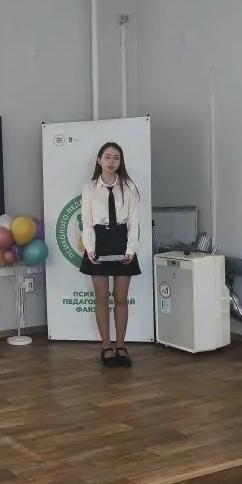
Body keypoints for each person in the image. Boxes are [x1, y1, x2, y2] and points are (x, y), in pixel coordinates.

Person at [78, 142, 141, 368]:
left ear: (120, 161)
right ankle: (106, 346)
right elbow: (86, 222)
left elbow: (134, 221)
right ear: (99, 160)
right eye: (107, 157)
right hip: (99, 241)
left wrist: (130, 250)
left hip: (122, 240)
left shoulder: (129, 187)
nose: (111, 161)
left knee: (121, 298)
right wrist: (90, 248)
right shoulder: (89, 188)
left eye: (116, 157)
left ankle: (121, 346)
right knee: (102, 298)